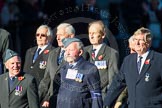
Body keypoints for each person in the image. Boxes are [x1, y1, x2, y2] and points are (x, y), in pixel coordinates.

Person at [104, 27, 162, 108]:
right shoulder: (128, 60)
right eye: (135, 39)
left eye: (140, 40)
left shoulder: (158, 60)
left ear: (148, 42)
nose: (137, 43)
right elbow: (118, 83)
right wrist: (107, 103)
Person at [56, 37, 102, 108]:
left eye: (71, 50)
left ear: (80, 52)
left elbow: (96, 95)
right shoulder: (64, 69)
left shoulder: (90, 69)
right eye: (66, 50)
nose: (67, 53)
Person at [38, 23, 75, 108]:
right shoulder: (52, 54)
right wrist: (39, 98)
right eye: (57, 35)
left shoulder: (79, 54)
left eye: (61, 35)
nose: (57, 38)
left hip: (69, 101)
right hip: (52, 101)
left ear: (71, 36)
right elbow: (46, 79)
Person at [84, 20, 119, 106]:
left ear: (103, 35)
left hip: (101, 98)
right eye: (90, 33)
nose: (91, 36)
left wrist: (108, 100)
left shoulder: (111, 53)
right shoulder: (84, 51)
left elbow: (113, 79)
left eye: (94, 33)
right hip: (85, 98)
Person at [114, 35, 136, 108]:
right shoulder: (127, 61)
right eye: (130, 49)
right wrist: (118, 101)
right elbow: (121, 83)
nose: (131, 53)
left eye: (133, 50)